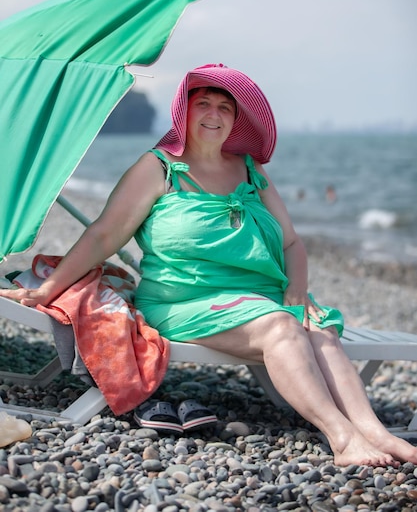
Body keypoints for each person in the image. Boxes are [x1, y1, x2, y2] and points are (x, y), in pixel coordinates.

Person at [2, 64, 416, 467]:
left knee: (316, 326)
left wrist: (297, 290)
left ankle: (375, 432)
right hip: (186, 301)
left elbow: (291, 242)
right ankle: (342, 439)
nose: (214, 114)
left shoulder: (251, 170)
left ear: (236, 119)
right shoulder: (157, 168)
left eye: (225, 107)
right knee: (281, 326)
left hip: (262, 296)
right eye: (204, 103)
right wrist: (48, 287)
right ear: (185, 109)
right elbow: (104, 235)